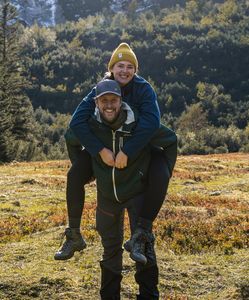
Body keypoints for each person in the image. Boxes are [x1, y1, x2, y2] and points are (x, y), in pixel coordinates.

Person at [54, 43, 173, 264]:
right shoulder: (99, 90)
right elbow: (76, 123)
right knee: (74, 176)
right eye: (120, 66)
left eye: (130, 66)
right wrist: (98, 154)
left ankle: (141, 233)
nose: (125, 71)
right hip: (106, 145)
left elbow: (151, 124)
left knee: (161, 176)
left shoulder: (144, 89)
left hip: (141, 145)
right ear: (112, 68)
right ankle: (74, 235)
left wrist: (127, 151)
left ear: (135, 71)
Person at [65, 79, 177, 299]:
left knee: (143, 249)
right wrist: (89, 169)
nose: (109, 105)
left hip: (138, 194)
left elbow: (170, 139)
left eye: (113, 100)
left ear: (121, 100)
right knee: (110, 250)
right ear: (96, 102)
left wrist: (162, 175)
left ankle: (148, 296)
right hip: (107, 196)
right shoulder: (89, 125)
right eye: (104, 100)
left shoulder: (139, 124)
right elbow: (71, 138)